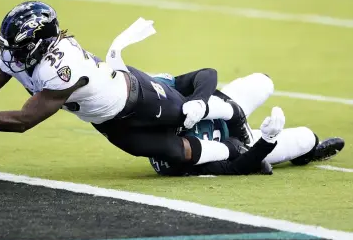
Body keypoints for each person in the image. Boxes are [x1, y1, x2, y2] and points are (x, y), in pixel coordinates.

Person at [0, 1, 343, 176]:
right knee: (174, 154)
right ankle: (289, 143)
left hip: (139, 99)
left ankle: (290, 141)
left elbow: (24, 120)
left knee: (213, 119)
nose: (11, 56)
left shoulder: (65, 68)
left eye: (19, 48)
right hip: (117, 124)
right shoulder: (24, 53)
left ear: (40, 44)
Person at [148, 73, 345, 176]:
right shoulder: (179, 162)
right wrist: (267, 141)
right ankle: (307, 155)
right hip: (239, 142)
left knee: (263, 81)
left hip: (222, 106)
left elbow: (205, 75)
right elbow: (237, 167)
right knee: (307, 139)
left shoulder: (157, 97)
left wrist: (202, 100)